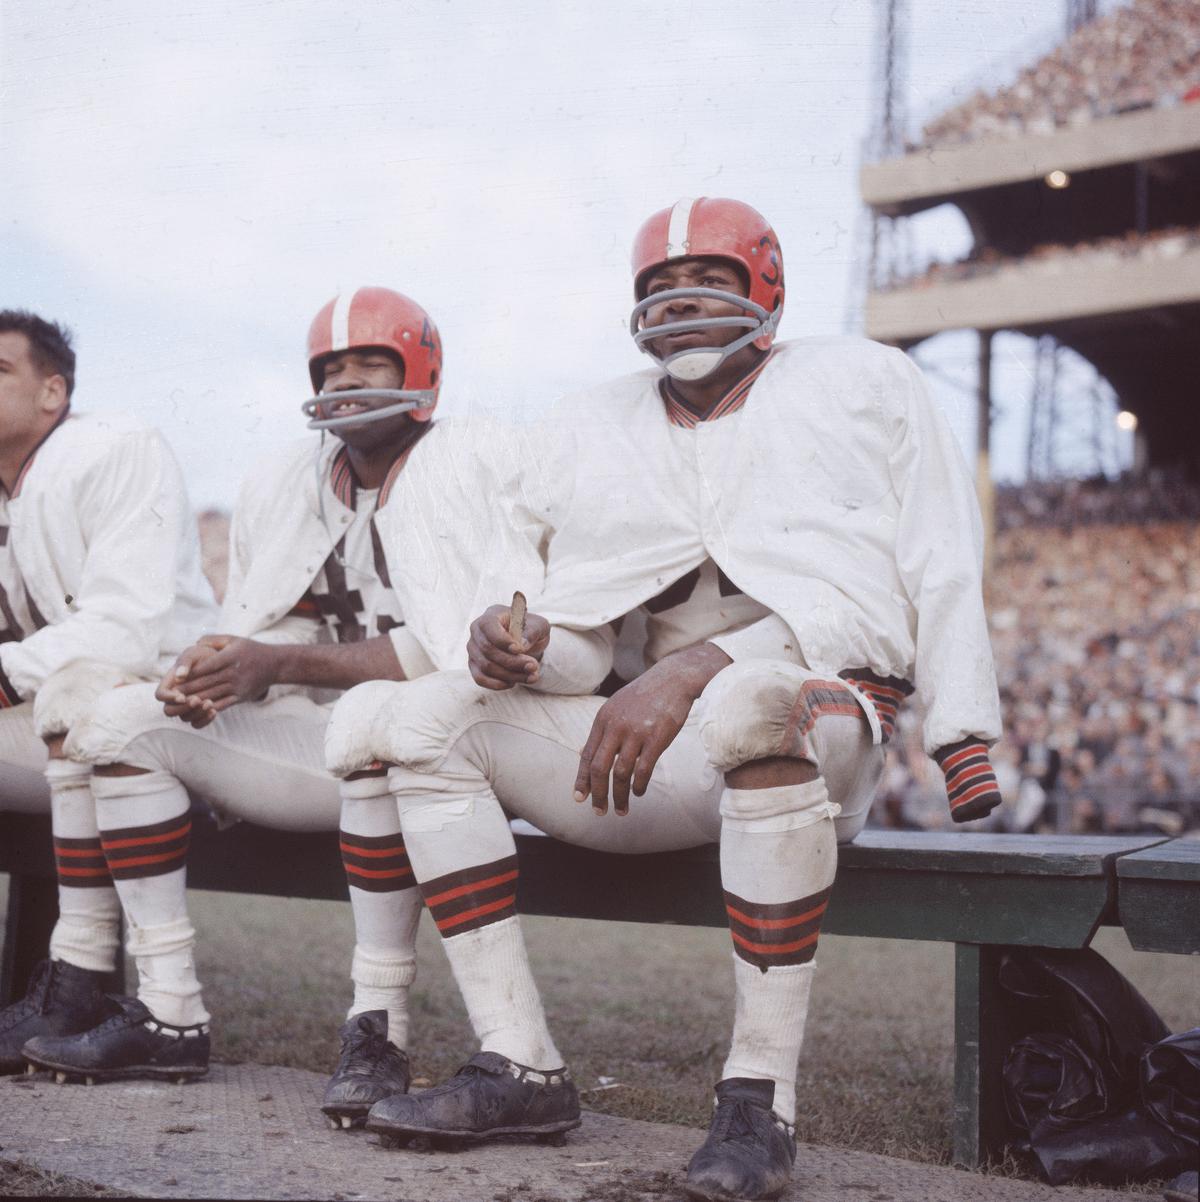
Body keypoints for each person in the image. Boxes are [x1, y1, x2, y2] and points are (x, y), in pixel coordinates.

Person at [323, 199, 1004, 1201]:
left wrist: (963, 737)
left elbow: (934, 564)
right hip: (654, 752)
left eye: (710, 281)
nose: (680, 304)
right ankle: (518, 1060)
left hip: (818, 716)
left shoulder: (863, 379)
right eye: (658, 288)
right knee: (418, 717)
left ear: (766, 285)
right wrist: (520, 637)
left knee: (749, 701)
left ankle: (758, 1098)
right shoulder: (591, 422)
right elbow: (581, 626)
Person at [21, 289, 544, 1119]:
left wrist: (278, 660)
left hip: (442, 748)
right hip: (318, 737)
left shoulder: (478, 457)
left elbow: (454, 649)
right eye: (330, 367)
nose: (347, 380)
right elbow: (268, 626)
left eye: (371, 361)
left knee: (383, 725)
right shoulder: (285, 478)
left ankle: (379, 1031)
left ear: (422, 369)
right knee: (115, 719)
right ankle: (169, 1014)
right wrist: (218, 669)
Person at [0, 309, 213, 1075]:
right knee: (68, 703)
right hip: (59, 720)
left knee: (85, 698)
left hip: (170, 707)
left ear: (53, 391)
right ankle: (74, 980)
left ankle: (83, 980)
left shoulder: (113, 447)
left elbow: (124, 629)